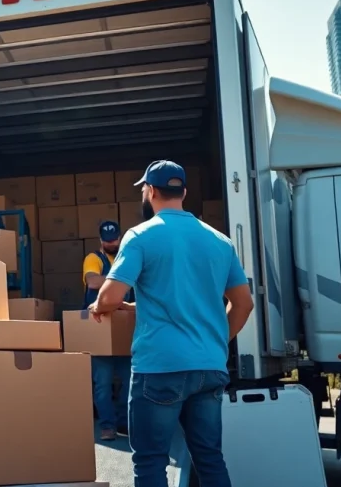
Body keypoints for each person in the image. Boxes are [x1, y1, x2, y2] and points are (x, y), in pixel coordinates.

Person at [88, 160, 254, 487]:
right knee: (209, 457)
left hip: (161, 367)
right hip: (209, 366)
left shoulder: (141, 235)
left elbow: (108, 297)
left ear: (149, 191)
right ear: (185, 193)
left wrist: (102, 304)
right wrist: (216, 342)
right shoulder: (220, 241)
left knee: (151, 461)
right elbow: (244, 303)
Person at [82, 220, 133, 441]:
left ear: (120, 238)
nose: (111, 243)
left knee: (130, 380)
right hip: (99, 328)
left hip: (124, 328)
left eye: (114, 239)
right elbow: (92, 282)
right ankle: (107, 425)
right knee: (102, 383)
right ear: (100, 240)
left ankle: (124, 422)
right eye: (107, 240)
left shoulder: (128, 256)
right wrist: (122, 282)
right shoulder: (94, 258)